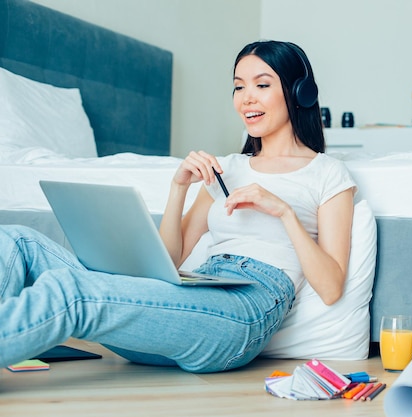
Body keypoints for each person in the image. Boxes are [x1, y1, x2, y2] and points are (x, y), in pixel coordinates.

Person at [0, 40, 356, 373]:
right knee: (19, 242)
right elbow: (169, 262)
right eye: (238, 86)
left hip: (244, 311)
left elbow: (330, 287)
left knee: (71, 294)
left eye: (262, 85)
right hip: (193, 294)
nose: (247, 98)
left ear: (298, 93)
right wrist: (178, 187)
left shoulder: (327, 173)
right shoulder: (225, 168)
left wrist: (284, 212)